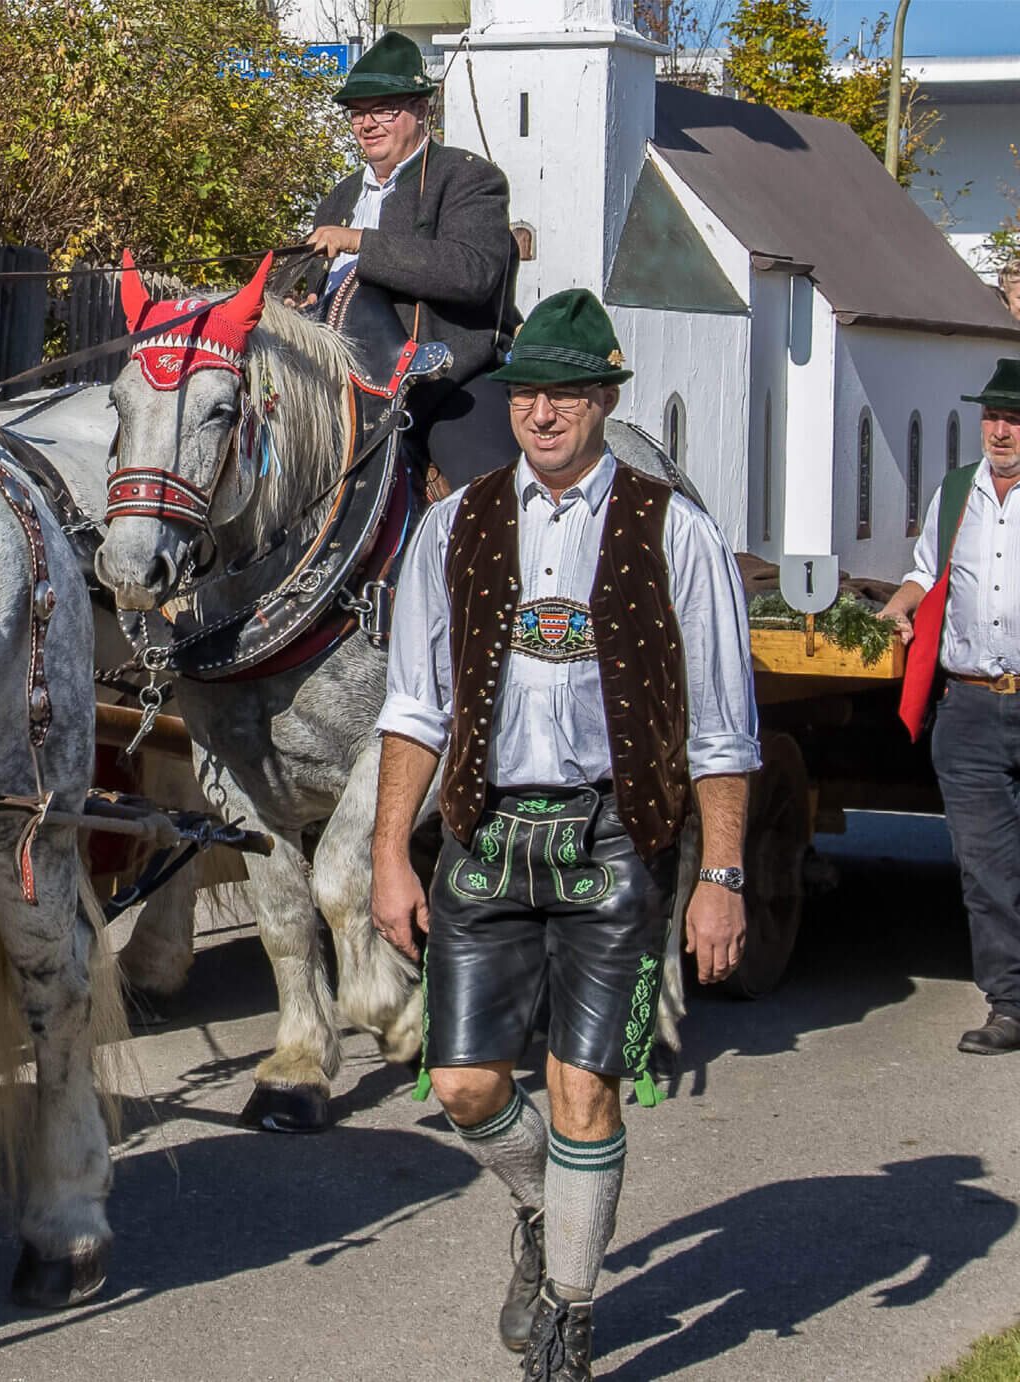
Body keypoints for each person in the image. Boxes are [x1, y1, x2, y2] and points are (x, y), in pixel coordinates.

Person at [368, 290, 758, 1380]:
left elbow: (724, 728)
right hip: (484, 834)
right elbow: (413, 706)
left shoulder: (673, 527)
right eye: (528, 392)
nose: (542, 412)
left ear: (604, 400)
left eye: (568, 393)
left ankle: (571, 1315)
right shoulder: (454, 525)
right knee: (462, 1084)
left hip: (615, 835)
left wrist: (718, 874)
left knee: (583, 1085)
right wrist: (387, 850)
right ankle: (552, 1215)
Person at [303, 30, 524, 497]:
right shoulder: (341, 195)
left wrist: (360, 242)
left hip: (446, 387)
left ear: (421, 111)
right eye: (358, 113)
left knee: (490, 499)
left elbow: (471, 272)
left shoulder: (467, 177)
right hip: (341, 397)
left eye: (384, 109)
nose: (368, 124)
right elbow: (314, 283)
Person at [877, 359, 1020, 1057]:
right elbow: (926, 571)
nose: (1000, 430)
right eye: (994, 416)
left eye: (1013, 419)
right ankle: (1010, 1004)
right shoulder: (957, 491)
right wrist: (897, 611)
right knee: (986, 869)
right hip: (967, 703)